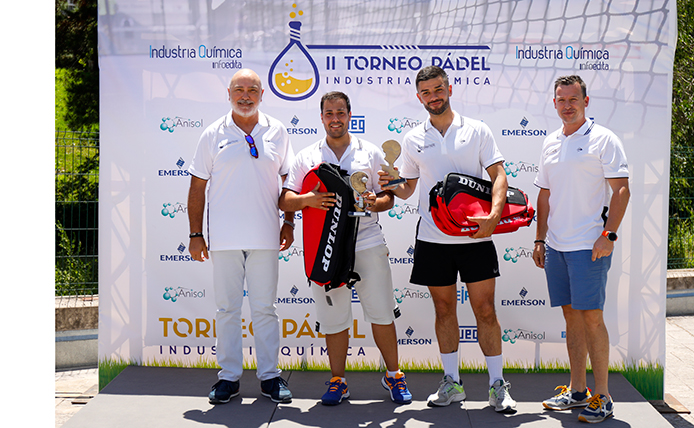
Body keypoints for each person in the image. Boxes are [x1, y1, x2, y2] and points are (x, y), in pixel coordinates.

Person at [378, 66, 516, 414]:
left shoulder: (477, 129)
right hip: (432, 238)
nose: (433, 96)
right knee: (443, 310)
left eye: (438, 89)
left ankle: (498, 385)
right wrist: (392, 181)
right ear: (419, 96)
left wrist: (495, 215)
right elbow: (408, 190)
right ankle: (451, 382)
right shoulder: (412, 138)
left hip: (475, 236)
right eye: (426, 92)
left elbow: (498, 175)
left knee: (485, 310)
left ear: (449, 88)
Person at [279, 91, 412, 406]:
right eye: (329, 113)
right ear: (322, 116)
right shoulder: (307, 157)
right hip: (326, 246)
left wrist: (373, 201)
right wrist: (309, 200)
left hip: (367, 241)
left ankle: (394, 376)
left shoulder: (371, 152)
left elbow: (389, 197)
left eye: (340, 112)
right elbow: (285, 200)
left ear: (349, 115)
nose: (335, 118)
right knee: (334, 318)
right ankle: (338, 381)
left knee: (381, 314)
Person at [187, 69, 296, 405]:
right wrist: (195, 234)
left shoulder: (277, 130)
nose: (245, 96)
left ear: (262, 94)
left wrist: (289, 222)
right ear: (229, 94)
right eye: (239, 90)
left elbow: (290, 180)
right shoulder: (212, 134)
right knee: (227, 310)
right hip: (224, 240)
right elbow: (196, 187)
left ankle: (269, 377)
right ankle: (229, 377)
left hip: (266, 237)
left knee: (265, 309)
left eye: (252, 90)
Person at [532, 75, 630, 423]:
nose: (567, 105)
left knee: (592, 319)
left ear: (586, 102)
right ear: (554, 103)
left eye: (574, 99)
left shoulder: (604, 139)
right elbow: (544, 194)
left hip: (589, 247)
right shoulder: (550, 142)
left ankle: (602, 397)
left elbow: (621, 190)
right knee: (571, 317)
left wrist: (610, 235)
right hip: (556, 246)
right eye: (561, 100)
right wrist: (540, 239)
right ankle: (577, 390)